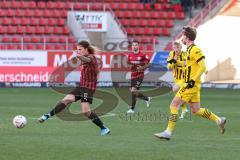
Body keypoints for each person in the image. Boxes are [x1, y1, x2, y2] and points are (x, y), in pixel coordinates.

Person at [154, 26, 226, 140]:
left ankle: (168, 132)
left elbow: (202, 66)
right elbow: (191, 65)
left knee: (173, 105)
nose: (181, 37)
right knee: (196, 110)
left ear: (186, 37)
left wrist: (192, 79)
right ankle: (218, 120)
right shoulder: (188, 50)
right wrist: (175, 61)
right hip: (193, 85)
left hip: (190, 84)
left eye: (183, 35)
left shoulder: (194, 49)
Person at [38, 40, 110, 136]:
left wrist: (76, 55)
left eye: (80, 49)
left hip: (88, 88)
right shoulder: (83, 57)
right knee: (66, 99)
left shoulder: (91, 57)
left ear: (86, 49)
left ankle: (104, 128)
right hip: (81, 86)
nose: (78, 51)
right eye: (77, 49)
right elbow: (76, 61)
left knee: (86, 112)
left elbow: (86, 60)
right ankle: (46, 116)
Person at [127, 40, 152, 114]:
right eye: (133, 45)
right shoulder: (130, 55)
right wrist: (131, 66)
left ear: (138, 46)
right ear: (131, 46)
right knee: (134, 92)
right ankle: (146, 99)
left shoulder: (143, 55)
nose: (134, 46)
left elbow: (148, 64)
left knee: (133, 90)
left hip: (139, 75)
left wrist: (141, 68)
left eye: (136, 45)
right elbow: (128, 64)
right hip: (133, 75)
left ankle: (132, 109)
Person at [167, 41, 188, 119]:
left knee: (175, 89)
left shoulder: (185, 54)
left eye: (178, 47)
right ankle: (184, 108)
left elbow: (186, 63)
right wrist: (173, 61)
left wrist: (176, 61)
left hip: (184, 77)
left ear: (181, 47)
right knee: (178, 93)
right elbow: (169, 67)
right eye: (174, 48)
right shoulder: (171, 54)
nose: (176, 49)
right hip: (176, 78)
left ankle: (181, 106)